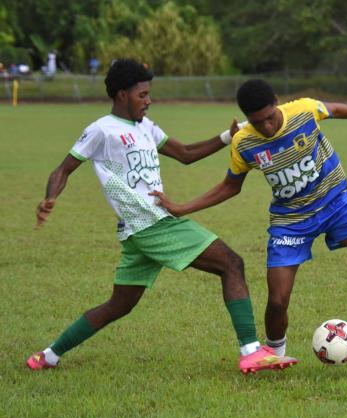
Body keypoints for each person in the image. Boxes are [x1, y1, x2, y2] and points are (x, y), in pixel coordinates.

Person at [26, 61, 298, 374]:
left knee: (119, 305)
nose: (148, 100)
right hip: (152, 223)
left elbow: (185, 154)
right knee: (231, 263)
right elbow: (63, 169)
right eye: (142, 95)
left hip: (139, 229)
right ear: (122, 94)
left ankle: (48, 355)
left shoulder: (146, 127)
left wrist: (227, 136)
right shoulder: (101, 129)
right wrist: (50, 197)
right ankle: (251, 351)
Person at [152, 79, 347, 360]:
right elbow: (230, 187)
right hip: (291, 221)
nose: (267, 127)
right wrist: (183, 208)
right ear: (248, 119)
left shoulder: (303, 110)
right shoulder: (243, 142)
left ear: (277, 102)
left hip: (336, 204)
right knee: (277, 300)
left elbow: (334, 109)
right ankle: (274, 355)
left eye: (270, 117)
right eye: (258, 122)